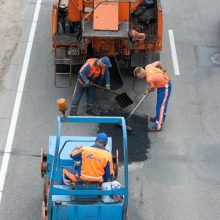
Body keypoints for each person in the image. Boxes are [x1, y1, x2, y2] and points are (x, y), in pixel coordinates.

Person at [134, 61, 172, 132]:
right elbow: (158, 62)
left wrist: (147, 91)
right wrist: (162, 69)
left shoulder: (149, 79)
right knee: (159, 105)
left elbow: (153, 88)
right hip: (161, 86)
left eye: (138, 76)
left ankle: (158, 126)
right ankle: (159, 117)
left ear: (141, 73)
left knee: (161, 107)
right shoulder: (148, 67)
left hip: (165, 88)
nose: (138, 78)